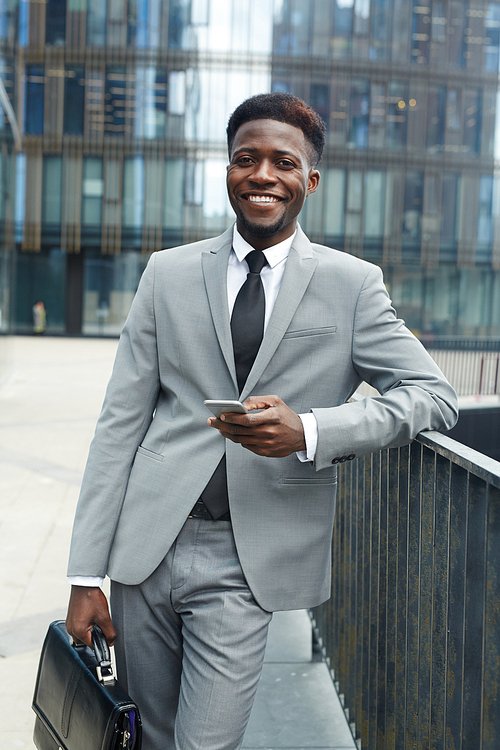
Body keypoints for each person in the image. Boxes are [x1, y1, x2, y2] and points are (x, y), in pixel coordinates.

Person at [66, 92, 458, 750]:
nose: (262, 175)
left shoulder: (352, 285)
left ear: (310, 179)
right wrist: (85, 575)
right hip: (145, 549)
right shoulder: (166, 274)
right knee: (146, 738)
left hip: (249, 561)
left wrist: (309, 431)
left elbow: (432, 395)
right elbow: (118, 426)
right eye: (246, 159)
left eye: (283, 161)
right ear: (227, 170)